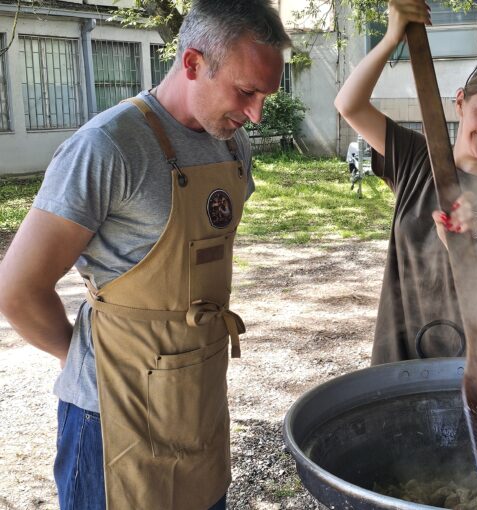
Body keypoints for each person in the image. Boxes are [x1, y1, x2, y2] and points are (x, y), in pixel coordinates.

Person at [0, 1, 290, 508]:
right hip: (111, 415)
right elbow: (17, 289)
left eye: (266, 95)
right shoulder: (107, 147)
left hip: (198, 400)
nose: (255, 114)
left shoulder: (232, 147)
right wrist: (87, 359)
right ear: (193, 63)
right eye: (246, 92)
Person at [334, 0, 477, 365]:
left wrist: (462, 250)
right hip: (396, 348)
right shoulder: (415, 156)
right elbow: (349, 104)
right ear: (460, 102)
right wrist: (390, 37)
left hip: (471, 359)